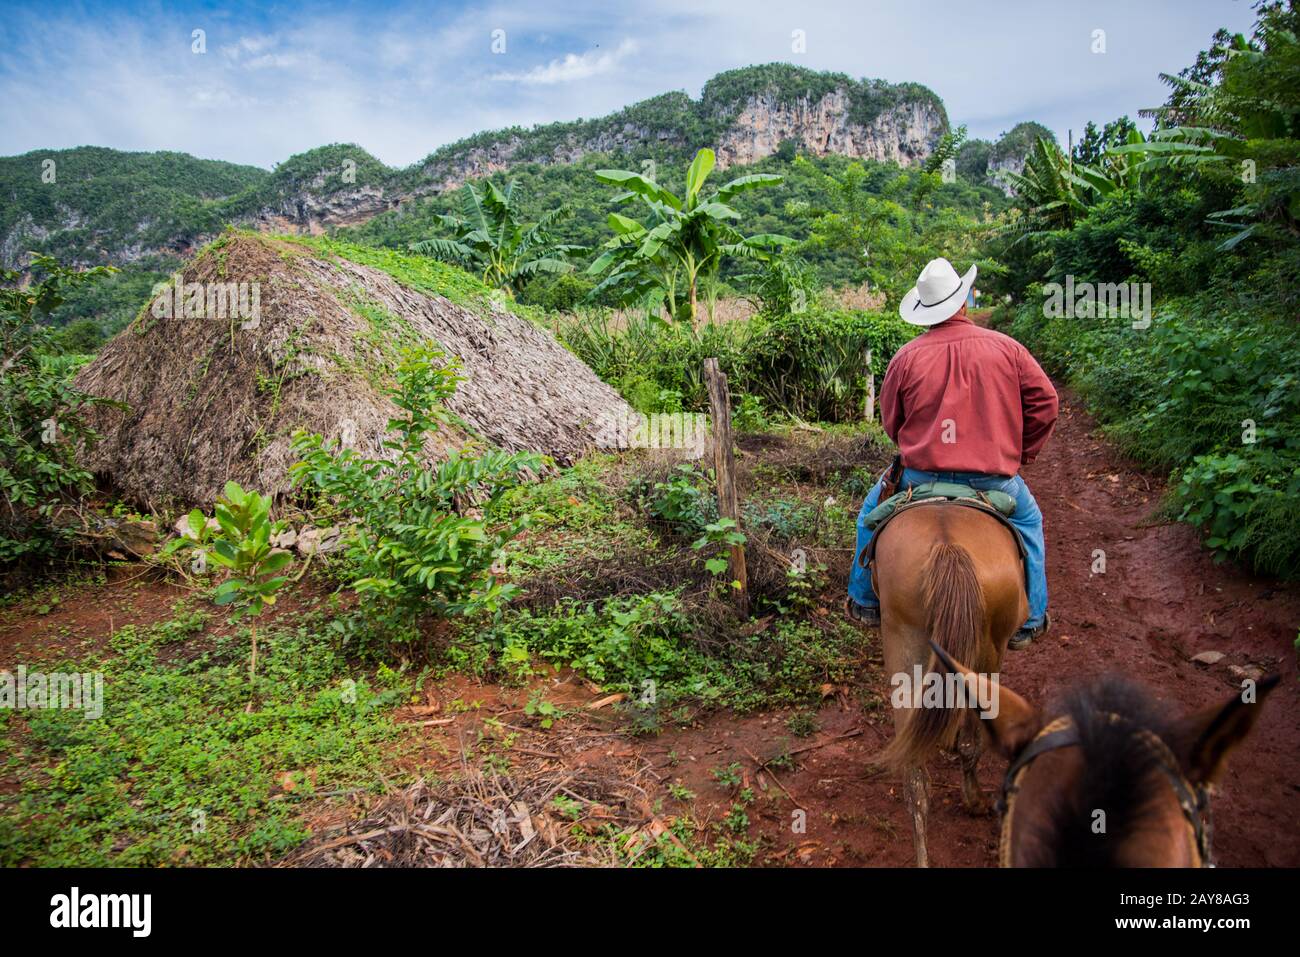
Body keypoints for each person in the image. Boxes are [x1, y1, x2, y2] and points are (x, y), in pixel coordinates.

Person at [847, 257, 1058, 649]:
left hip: (919, 479)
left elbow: (891, 421)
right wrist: (1021, 451)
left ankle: (864, 601)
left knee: (868, 516)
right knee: (1030, 523)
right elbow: (1046, 402)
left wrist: (917, 441)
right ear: (962, 302)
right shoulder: (1008, 349)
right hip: (994, 480)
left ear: (926, 310)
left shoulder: (906, 357)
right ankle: (1031, 617)